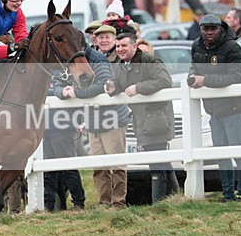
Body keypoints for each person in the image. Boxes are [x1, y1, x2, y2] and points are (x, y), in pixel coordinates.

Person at [60, 39, 132, 208]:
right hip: (93, 121)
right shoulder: (73, 59)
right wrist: (63, 92)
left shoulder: (98, 60)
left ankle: (118, 202)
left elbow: (101, 86)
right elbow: (59, 82)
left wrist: (76, 92)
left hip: (112, 119)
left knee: (117, 164)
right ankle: (104, 203)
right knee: (99, 167)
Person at [188, 13, 241, 202]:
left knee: (238, 152)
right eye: (205, 29)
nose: (209, 32)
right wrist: (192, 78)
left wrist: (206, 80)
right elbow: (194, 68)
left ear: (220, 28)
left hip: (234, 108)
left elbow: (235, 77)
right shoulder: (196, 46)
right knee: (220, 154)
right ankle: (228, 193)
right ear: (200, 29)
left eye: (213, 29)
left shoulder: (232, 47)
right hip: (214, 110)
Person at [107, 33, 175, 204]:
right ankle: (175, 198)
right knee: (162, 162)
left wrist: (139, 88)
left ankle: (158, 203)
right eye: (118, 47)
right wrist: (113, 87)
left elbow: (165, 81)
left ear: (134, 47)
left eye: (123, 46)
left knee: (157, 164)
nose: (120, 50)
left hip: (156, 118)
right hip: (141, 120)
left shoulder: (149, 61)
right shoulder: (121, 66)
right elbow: (118, 82)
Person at [44, 73, 86, 212]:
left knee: (69, 167)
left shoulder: (63, 72)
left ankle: (78, 202)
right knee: (48, 169)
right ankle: (49, 205)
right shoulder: (39, 72)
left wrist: (78, 120)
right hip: (43, 127)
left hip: (62, 126)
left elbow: (72, 95)